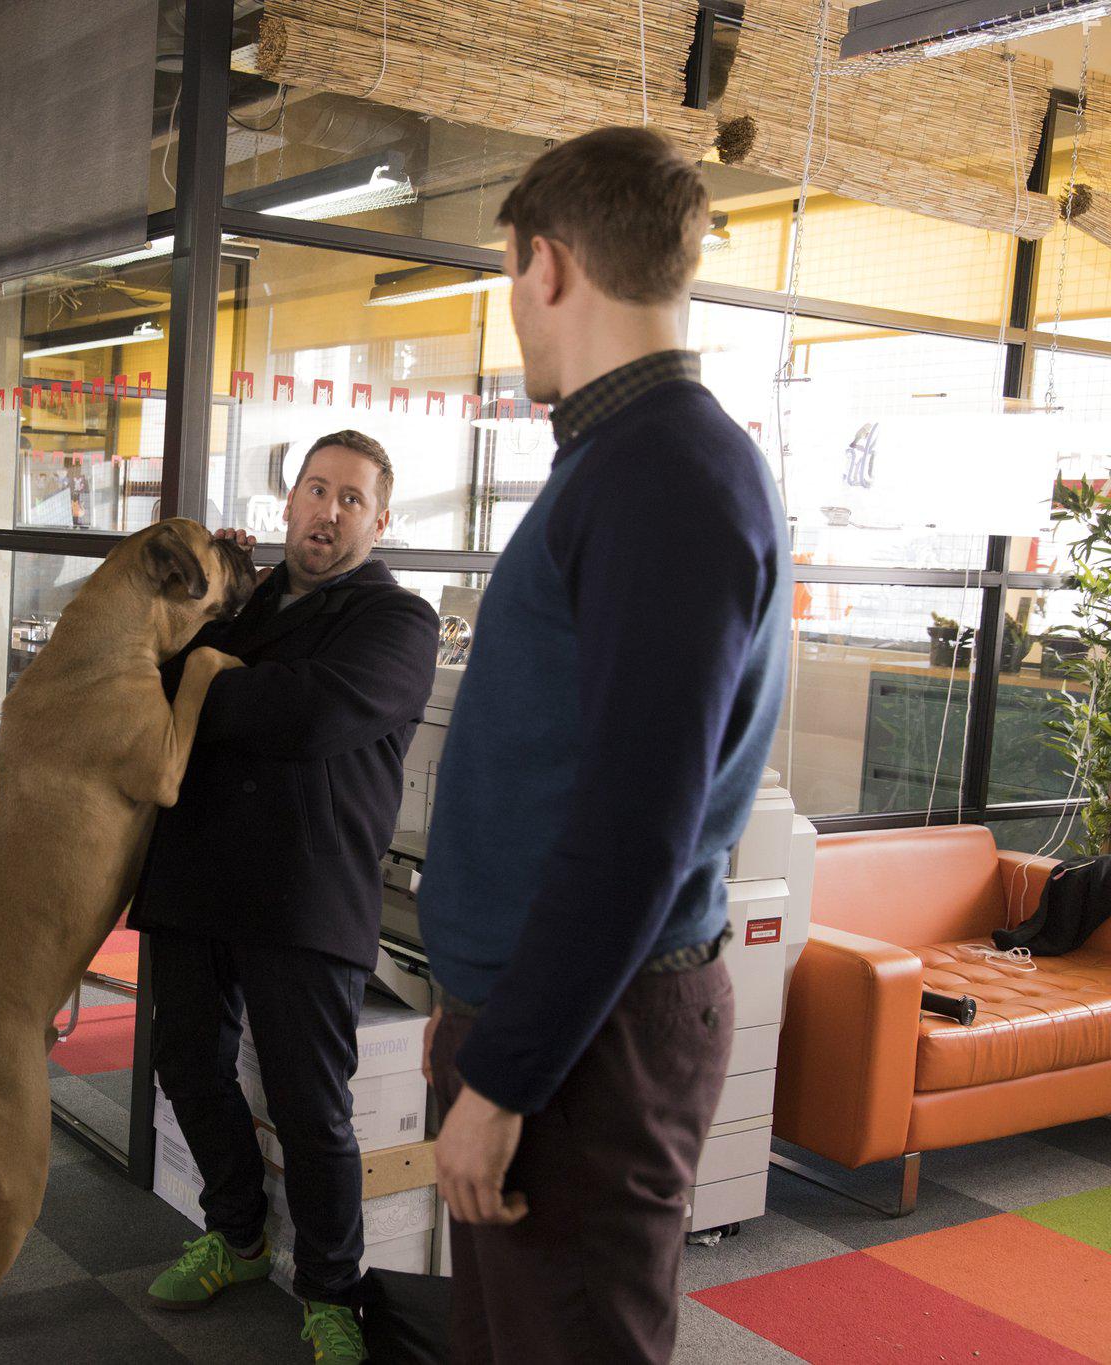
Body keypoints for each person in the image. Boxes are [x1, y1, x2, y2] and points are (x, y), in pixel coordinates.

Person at [416, 126, 792, 1363]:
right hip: (554, 1017)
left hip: (588, 1043)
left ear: (545, 265)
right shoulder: (622, 461)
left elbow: (636, 829)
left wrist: (508, 1075)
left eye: (508, 281)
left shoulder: (665, 476)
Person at [133, 431, 439, 1365]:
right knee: (187, 1065)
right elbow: (139, 668)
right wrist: (197, 651)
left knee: (311, 1106)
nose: (329, 510)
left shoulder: (399, 621)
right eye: (317, 489)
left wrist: (196, 685)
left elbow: (307, 717)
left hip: (307, 892)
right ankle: (235, 1231)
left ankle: (331, 1288)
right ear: (290, 500)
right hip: (195, 877)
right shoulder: (238, 598)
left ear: (379, 521)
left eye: (352, 498)